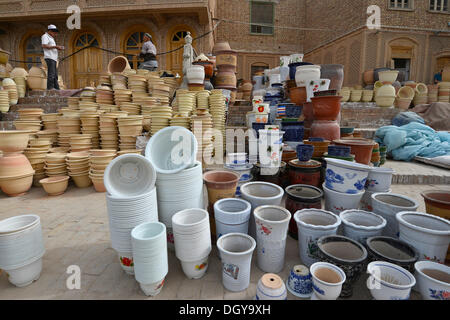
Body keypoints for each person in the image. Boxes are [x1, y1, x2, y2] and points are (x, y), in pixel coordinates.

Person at [41, 25, 64, 90]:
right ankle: (50, 88)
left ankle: (56, 88)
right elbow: (44, 45)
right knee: (51, 74)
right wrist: (56, 47)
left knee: (55, 74)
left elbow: (50, 47)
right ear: (50, 31)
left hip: (53, 58)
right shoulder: (45, 36)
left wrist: (57, 47)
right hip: (49, 57)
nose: (55, 34)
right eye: (54, 32)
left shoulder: (51, 38)